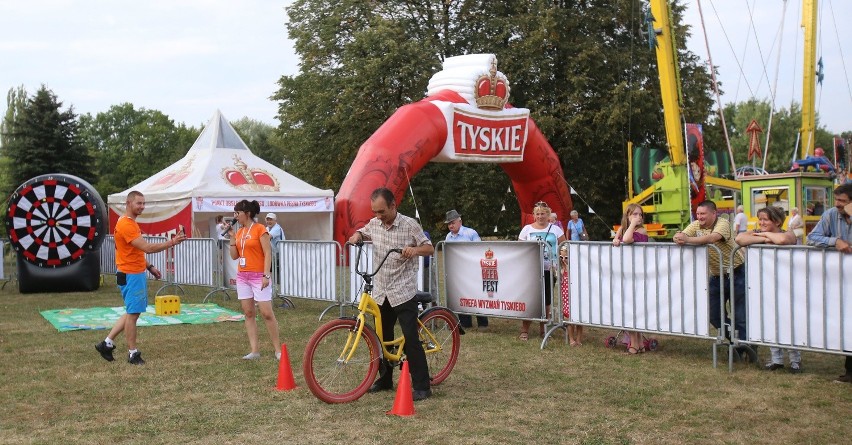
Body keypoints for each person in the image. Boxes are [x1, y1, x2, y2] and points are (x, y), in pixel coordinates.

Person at [348, 188, 434, 401]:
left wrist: (414, 250)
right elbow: (364, 231)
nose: (379, 216)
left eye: (382, 211)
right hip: (381, 290)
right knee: (382, 337)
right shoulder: (375, 223)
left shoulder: (409, 225)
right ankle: (386, 380)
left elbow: (429, 248)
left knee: (411, 338)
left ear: (393, 205)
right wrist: (357, 235)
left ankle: (422, 386)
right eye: (375, 212)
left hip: (402, 290)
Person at [94, 191, 187, 365]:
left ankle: (106, 344)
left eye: (144, 203)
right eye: (139, 203)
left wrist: (149, 267)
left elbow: (134, 251)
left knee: (132, 312)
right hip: (131, 274)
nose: (142, 206)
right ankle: (132, 353)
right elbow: (147, 248)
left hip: (132, 272)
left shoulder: (128, 223)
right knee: (133, 314)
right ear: (128, 203)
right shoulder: (127, 225)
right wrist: (172, 242)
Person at [673, 200, 753, 358]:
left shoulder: (722, 223)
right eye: (697, 214)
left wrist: (687, 240)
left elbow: (713, 238)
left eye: (703, 214)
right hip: (716, 277)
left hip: (737, 273)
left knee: (740, 315)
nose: (699, 217)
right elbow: (680, 235)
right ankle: (736, 342)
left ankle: (745, 348)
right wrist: (678, 237)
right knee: (714, 315)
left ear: (713, 213)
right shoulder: (696, 225)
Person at [736, 206, 799, 373]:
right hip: (766, 283)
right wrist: (765, 238)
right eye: (760, 219)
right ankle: (776, 359)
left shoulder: (789, 232)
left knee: (788, 321)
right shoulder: (757, 232)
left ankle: (795, 361)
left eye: (765, 219)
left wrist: (761, 236)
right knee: (770, 320)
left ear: (777, 221)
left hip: (787, 285)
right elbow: (740, 239)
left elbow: (783, 240)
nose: (761, 222)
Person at [807, 183, 852, 383]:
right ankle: (849, 372)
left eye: (843, 201)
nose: (838, 204)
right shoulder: (831, 214)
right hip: (842, 280)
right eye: (837, 200)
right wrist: (835, 241)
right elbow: (812, 237)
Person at [226, 200, 281, 361]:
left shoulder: (260, 229)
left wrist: (266, 275)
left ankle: (278, 350)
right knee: (248, 312)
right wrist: (231, 238)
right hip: (243, 276)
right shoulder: (240, 232)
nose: (235, 216)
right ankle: (254, 350)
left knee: (266, 313)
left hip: (258, 276)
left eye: (237, 213)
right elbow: (235, 256)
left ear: (247, 213)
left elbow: (267, 253)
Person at [518, 201, 566, 341]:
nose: (540, 216)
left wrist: (561, 263)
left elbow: (564, 246)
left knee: (546, 300)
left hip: (549, 269)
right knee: (530, 299)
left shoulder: (556, 229)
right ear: (533, 215)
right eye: (537, 214)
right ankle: (525, 329)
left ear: (548, 214)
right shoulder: (527, 229)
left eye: (543, 214)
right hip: (531, 270)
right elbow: (520, 249)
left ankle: (543, 329)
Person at [612, 203, 649, 354]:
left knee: (635, 309)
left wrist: (631, 224)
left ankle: (635, 344)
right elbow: (618, 239)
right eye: (634, 214)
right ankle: (638, 343)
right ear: (627, 215)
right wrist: (617, 236)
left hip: (638, 275)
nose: (638, 217)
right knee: (629, 308)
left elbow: (627, 239)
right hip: (625, 274)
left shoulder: (641, 230)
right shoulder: (625, 228)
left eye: (640, 215)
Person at [444, 209, 488, 330]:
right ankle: (465, 322)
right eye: (449, 224)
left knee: (478, 294)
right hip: (458, 271)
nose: (451, 225)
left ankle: (483, 323)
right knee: (461, 295)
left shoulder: (470, 233)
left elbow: (480, 250)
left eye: (452, 222)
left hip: (473, 269)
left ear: (460, 221)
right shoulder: (448, 236)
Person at [558, 244, 583, 346]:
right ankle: (571, 339)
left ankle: (578, 339)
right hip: (566, 297)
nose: (564, 260)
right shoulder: (561, 268)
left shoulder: (575, 268)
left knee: (579, 318)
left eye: (566, 257)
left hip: (576, 295)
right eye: (561, 257)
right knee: (569, 318)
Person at [265, 212, 285, 278]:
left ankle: (276, 286)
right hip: (273, 254)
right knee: (270, 269)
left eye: (271, 219)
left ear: (275, 220)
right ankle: (272, 285)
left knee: (280, 272)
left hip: (281, 254)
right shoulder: (267, 228)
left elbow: (267, 237)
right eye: (267, 219)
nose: (269, 221)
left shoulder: (277, 228)